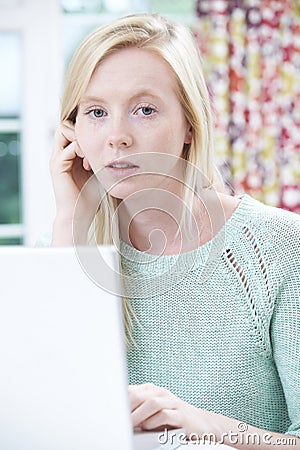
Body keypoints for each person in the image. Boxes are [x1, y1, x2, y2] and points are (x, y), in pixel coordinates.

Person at [50, 13, 300, 449]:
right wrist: (72, 223)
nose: (116, 136)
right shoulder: (61, 251)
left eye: (144, 109)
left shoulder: (278, 247)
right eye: (96, 112)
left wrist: (202, 425)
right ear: (72, 133)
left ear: (189, 123)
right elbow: (48, 417)